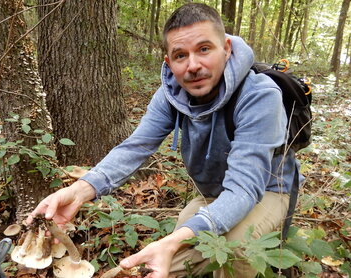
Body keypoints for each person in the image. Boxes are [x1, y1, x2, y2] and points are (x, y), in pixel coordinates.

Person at [27, 3, 301, 278]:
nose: (193, 65)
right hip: (214, 191)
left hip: (268, 190)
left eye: (204, 49)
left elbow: (243, 189)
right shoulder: (172, 95)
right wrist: (80, 190)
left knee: (235, 245)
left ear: (226, 48)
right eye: (180, 55)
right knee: (186, 235)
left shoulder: (259, 95)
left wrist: (173, 243)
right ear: (169, 62)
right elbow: (136, 147)